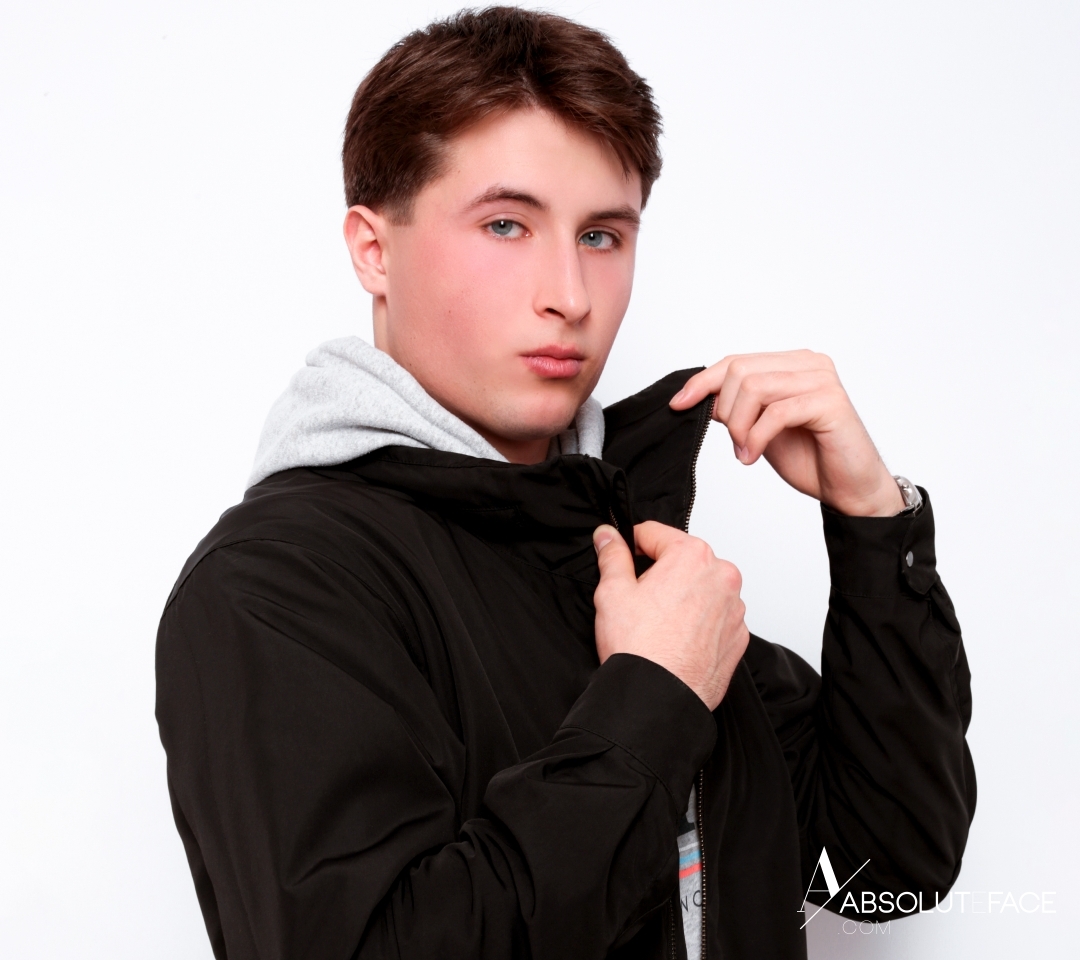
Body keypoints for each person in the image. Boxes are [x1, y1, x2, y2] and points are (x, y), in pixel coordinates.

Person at [155, 7, 975, 960]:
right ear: (374, 250)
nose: (571, 296)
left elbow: (887, 867)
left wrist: (873, 522)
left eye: (601, 236)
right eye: (506, 224)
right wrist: (651, 703)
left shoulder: (634, 557)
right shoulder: (275, 584)